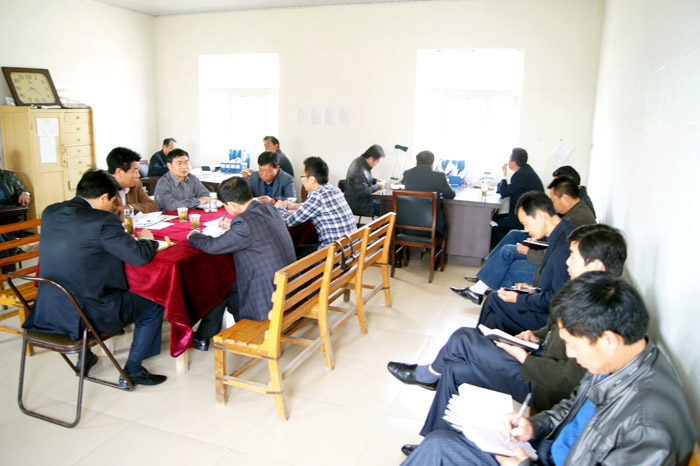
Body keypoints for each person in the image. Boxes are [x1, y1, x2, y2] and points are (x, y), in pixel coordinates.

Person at [403, 272, 697, 466]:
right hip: (550, 451)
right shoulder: (620, 361)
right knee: (440, 444)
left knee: (439, 450)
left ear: (608, 339)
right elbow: (572, 405)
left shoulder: (647, 428)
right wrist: (534, 426)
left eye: (573, 345)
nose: (570, 354)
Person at [389, 224, 627, 457]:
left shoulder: (603, 310)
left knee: (463, 338)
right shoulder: (588, 292)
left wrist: (525, 358)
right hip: (537, 357)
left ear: (596, 265)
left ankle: (428, 374)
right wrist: (536, 335)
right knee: (454, 368)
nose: (567, 262)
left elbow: (572, 380)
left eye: (573, 257)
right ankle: (433, 441)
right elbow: (556, 327)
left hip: (540, 381)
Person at [22, 170, 167, 387]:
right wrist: (147, 240)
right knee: (154, 301)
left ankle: (86, 357)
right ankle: (133, 370)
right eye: (113, 201)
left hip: (47, 309)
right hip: (88, 312)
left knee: (78, 282)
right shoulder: (103, 220)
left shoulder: (51, 212)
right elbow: (137, 257)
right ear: (103, 197)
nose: (113, 206)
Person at [187, 177, 296, 350]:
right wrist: (234, 227)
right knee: (229, 285)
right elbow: (256, 228)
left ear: (231, 204)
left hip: (270, 298)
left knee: (222, 285)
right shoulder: (267, 207)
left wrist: (194, 236)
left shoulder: (244, 223)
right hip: (290, 287)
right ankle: (204, 335)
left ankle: (205, 335)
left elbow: (213, 246)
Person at [453, 176, 595, 304]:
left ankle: (488, 289)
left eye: (553, 201)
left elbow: (557, 255)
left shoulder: (575, 220)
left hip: (547, 266)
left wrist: (529, 251)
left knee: (509, 255)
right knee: (514, 235)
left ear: (565, 198)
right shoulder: (575, 211)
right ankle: (486, 278)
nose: (553, 205)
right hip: (546, 253)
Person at [477, 191, 574, 334]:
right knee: (494, 307)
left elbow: (557, 299)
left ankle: (477, 341)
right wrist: (533, 290)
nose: (526, 230)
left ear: (541, 216)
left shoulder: (564, 246)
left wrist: (521, 298)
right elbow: (557, 287)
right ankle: (481, 341)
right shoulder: (561, 234)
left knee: (494, 300)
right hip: (546, 303)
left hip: (552, 318)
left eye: (526, 224)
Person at [275, 156, 356, 257]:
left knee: (295, 252)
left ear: (312, 179)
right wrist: (294, 206)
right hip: (350, 250)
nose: (302, 180)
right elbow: (314, 207)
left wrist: (279, 208)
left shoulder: (317, 196)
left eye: (302, 176)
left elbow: (290, 221)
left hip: (334, 256)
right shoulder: (334, 190)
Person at [491, 148, 544, 247]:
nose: (508, 161)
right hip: (526, 213)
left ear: (514, 162)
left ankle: (504, 248)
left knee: (494, 224)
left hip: (527, 216)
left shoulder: (521, 175)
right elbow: (505, 190)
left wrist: (504, 174)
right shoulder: (525, 171)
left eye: (509, 159)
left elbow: (504, 192)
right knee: (495, 218)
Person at [401, 150, 455, 237]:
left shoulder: (407, 173)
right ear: (432, 163)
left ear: (416, 163)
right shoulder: (439, 176)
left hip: (406, 227)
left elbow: (404, 182)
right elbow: (450, 195)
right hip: (431, 228)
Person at [106, 147, 159, 219]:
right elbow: (109, 215)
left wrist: (129, 207)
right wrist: (138, 208)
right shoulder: (102, 187)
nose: (138, 175)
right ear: (119, 172)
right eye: (135, 171)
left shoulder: (136, 184)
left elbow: (153, 206)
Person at [344, 144, 386, 218]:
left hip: (356, 201)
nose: (377, 164)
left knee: (385, 203)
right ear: (371, 158)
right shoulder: (359, 170)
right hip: (359, 205)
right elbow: (364, 192)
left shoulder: (359, 161)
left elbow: (364, 180)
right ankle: (382, 225)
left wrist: (375, 180)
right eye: (377, 162)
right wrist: (378, 186)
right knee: (386, 207)